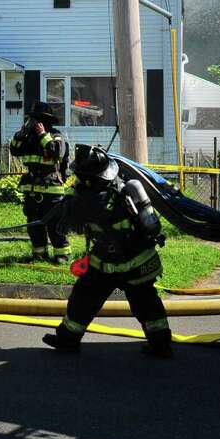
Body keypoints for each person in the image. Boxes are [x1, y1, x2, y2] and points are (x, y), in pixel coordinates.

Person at [42, 144, 172, 358]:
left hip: (114, 261)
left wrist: (63, 208)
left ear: (88, 177)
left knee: (86, 299)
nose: (77, 180)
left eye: (80, 176)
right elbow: (152, 225)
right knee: (145, 303)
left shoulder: (86, 200)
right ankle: (161, 345)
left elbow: (70, 220)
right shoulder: (125, 187)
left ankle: (68, 340)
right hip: (129, 259)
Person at [9, 101, 73, 263]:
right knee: (34, 224)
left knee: (55, 224)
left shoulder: (56, 136)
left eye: (39, 120)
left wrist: (44, 135)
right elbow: (15, 150)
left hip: (52, 190)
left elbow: (57, 152)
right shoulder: (28, 138)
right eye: (34, 120)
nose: (36, 124)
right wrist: (20, 134)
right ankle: (39, 253)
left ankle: (62, 254)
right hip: (32, 190)